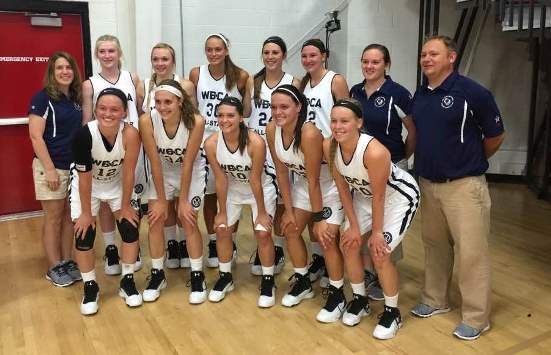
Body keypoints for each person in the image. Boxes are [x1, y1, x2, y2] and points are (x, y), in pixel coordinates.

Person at [409, 35, 505, 341]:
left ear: (451, 57)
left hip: (464, 187)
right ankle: (435, 299)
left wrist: (468, 162)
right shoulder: (421, 93)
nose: (426, 59)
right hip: (429, 183)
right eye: (424, 54)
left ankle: (477, 317)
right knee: (434, 246)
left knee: (472, 253)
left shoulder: (472, 92)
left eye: (433, 54)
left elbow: (495, 136)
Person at [325, 98, 419, 339]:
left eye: (344, 121)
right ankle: (359, 300)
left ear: (359, 123)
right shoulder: (331, 147)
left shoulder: (375, 152)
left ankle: (392, 312)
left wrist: (376, 233)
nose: (338, 126)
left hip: (397, 199)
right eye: (334, 121)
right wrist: (354, 226)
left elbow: (380, 196)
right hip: (366, 198)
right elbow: (344, 189)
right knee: (349, 243)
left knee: (380, 252)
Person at [266, 85, 345, 321]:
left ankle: (337, 293)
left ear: (299, 108)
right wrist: (289, 211)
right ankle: (302, 282)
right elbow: (281, 173)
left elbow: (315, 182)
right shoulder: (272, 129)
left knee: (326, 238)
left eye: (284, 107)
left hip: (329, 188)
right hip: (303, 186)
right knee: (289, 229)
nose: (278, 112)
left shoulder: (309, 134)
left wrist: (319, 218)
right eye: (274, 107)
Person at [349, 43, 416, 301]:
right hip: (360, 169)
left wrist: (400, 160)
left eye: (375, 62)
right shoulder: (355, 91)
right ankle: (368, 271)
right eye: (365, 61)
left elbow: (413, 131)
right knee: (365, 221)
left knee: (386, 224)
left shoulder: (398, 93)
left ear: (386, 65)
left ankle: (385, 270)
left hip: (392, 168)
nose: (369, 66)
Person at [71, 87, 142, 315]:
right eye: (102, 108)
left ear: (123, 112)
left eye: (114, 109)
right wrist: (86, 213)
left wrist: (125, 205)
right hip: (87, 187)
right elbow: (84, 179)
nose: (108, 113)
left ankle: (127, 280)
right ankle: (90, 286)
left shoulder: (130, 134)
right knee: (84, 233)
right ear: (95, 110)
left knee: (130, 228)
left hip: (117, 185)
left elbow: (129, 172)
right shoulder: (84, 135)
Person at [204, 96, 277, 307]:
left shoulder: (255, 142)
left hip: (260, 189)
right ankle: (225, 277)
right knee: (222, 229)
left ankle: (268, 280)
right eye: (220, 115)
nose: (224, 120)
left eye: (230, 115)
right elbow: (220, 179)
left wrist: (262, 213)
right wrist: (221, 212)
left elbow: (255, 179)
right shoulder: (211, 143)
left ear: (241, 118)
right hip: (233, 189)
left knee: (262, 233)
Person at [139, 79, 207, 303]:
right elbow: (155, 162)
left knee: (188, 219)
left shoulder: (196, 121)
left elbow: (188, 162)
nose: (162, 107)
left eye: (167, 102)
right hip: (163, 172)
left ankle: (197, 274)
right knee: (155, 218)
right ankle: (158, 274)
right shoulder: (147, 121)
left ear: (179, 102)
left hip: (191, 171)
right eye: (158, 102)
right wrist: (160, 199)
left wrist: (184, 200)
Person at [81, 34, 144, 275]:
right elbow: (87, 118)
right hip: (102, 149)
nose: (107, 55)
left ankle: (131, 245)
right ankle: (110, 249)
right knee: (106, 201)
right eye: (102, 51)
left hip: (130, 145)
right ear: (97, 55)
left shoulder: (132, 78)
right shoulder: (90, 84)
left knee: (130, 197)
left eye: (111, 51)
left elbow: (138, 112)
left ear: (119, 54)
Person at [189, 33, 250, 268]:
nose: (213, 53)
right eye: (209, 49)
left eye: (218, 49)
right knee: (210, 196)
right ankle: (215, 241)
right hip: (205, 142)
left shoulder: (241, 76)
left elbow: (245, 111)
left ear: (226, 50)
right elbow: (193, 109)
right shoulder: (197, 73)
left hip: (230, 141)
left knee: (230, 195)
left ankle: (230, 241)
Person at [137, 43, 197, 270]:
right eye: (156, 59)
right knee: (162, 206)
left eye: (165, 59)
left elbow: (191, 119)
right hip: (158, 154)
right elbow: (146, 121)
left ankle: (183, 244)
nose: (160, 63)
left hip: (182, 153)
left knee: (184, 208)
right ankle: (172, 243)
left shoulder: (186, 86)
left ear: (173, 61)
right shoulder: (143, 86)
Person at [29, 51, 83, 287]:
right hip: (51, 167)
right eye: (59, 67)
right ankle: (54, 266)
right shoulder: (43, 99)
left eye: (68, 67)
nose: (65, 71)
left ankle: (67, 261)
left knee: (70, 218)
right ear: (52, 72)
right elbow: (35, 136)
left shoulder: (75, 98)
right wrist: (50, 169)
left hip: (73, 169)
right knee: (53, 219)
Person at [247, 36, 300, 276]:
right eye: (266, 52)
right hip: (258, 145)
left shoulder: (293, 81)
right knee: (259, 197)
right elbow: (248, 113)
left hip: (281, 145)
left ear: (283, 55)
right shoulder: (253, 81)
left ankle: (277, 248)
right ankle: (263, 244)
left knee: (280, 198)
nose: (270, 56)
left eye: (275, 52)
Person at [299, 38, 349, 285]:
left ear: (324, 56)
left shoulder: (335, 80)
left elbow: (347, 114)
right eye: (304, 56)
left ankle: (335, 267)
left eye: (313, 55)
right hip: (309, 154)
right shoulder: (304, 83)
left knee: (331, 217)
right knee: (312, 210)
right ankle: (319, 259)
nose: (308, 60)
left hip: (330, 154)